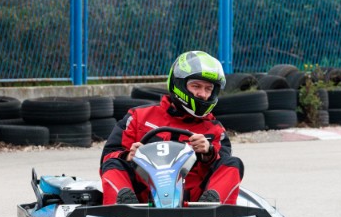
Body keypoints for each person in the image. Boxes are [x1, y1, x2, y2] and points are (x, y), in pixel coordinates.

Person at [100, 50, 244, 205]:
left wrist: (209, 153)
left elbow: (223, 169)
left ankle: (213, 211)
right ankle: (121, 212)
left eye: (208, 89)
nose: (202, 94)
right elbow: (107, 159)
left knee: (233, 164)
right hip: (142, 199)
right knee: (113, 164)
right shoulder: (138, 117)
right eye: (196, 86)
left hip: (194, 203)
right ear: (178, 84)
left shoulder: (214, 130)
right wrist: (128, 156)